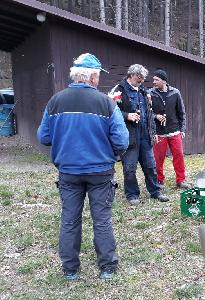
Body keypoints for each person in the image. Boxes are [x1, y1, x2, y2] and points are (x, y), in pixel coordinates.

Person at [37, 53, 129, 280]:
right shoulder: (106, 103)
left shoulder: (55, 101)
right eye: (98, 75)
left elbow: (44, 137)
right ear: (93, 77)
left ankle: (70, 270)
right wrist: (110, 153)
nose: (99, 79)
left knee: (69, 220)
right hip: (101, 173)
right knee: (102, 220)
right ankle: (107, 268)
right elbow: (122, 140)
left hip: (68, 172)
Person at [110, 64, 169, 204]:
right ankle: (132, 195)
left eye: (143, 78)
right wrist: (127, 115)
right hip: (128, 137)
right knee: (129, 168)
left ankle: (155, 192)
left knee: (150, 166)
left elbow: (149, 114)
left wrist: (153, 131)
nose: (142, 80)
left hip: (145, 135)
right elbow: (110, 111)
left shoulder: (144, 91)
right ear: (131, 75)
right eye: (139, 77)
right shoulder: (119, 90)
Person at [149, 69, 189, 189]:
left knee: (179, 155)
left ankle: (180, 180)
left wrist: (182, 129)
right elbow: (147, 112)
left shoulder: (175, 93)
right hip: (159, 133)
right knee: (158, 158)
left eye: (157, 79)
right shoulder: (150, 93)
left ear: (164, 81)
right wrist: (156, 116)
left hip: (174, 130)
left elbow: (181, 112)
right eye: (153, 79)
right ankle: (159, 180)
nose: (154, 81)